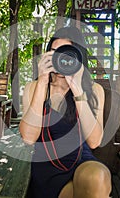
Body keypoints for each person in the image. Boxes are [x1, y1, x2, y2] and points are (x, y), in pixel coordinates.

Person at [19, 26, 111, 198]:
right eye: (54, 53)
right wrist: (42, 82)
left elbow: (94, 141)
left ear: (78, 57)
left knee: (97, 177)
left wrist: (76, 88)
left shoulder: (94, 90)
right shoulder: (34, 88)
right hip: (46, 165)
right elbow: (28, 138)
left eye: (66, 54)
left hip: (80, 160)